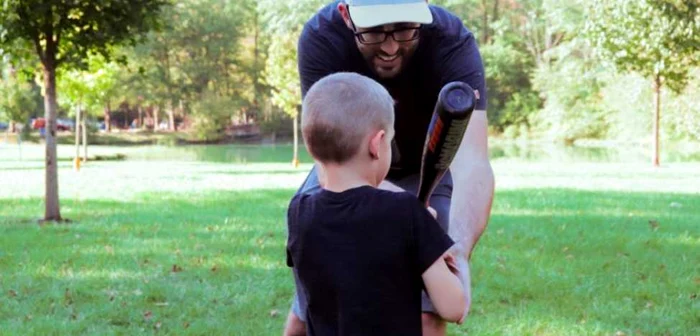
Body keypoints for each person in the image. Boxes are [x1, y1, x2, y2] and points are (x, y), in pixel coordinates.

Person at [285, 0, 495, 335]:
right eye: (374, 32)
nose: (390, 46)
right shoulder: (321, 37)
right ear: (346, 14)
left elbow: (472, 161)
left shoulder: (452, 41)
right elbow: (326, 153)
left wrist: (456, 247)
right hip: (343, 165)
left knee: (427, 315)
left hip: (431, 168)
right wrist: (407, 215)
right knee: (312, 304)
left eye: (404, 29)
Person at [287, 72, 467, 335]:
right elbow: (454, 307)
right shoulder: (406, 213)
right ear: (377, 144)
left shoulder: (299, 212)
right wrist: (432, 248)